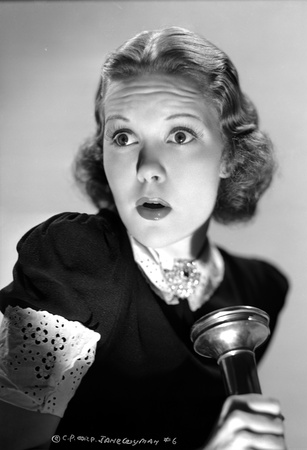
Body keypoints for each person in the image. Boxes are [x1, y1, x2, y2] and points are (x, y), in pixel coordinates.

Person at [0, 27, 289, 449]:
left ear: (228, 154)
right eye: (123, 137)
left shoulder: (259, 289)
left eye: (180, 135)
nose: (146, 168)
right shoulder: (75, 259)